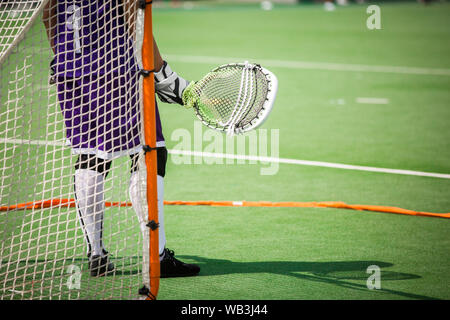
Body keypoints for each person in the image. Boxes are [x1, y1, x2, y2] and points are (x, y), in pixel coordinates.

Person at [42, 0, 200, 291]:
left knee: (89, 157)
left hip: (68, 68)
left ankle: (97, 254)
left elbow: (47, 14)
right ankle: (158, 256)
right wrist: (162, 73)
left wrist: (65, 56)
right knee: (150, 153)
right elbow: (132, 9)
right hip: (116, 67)